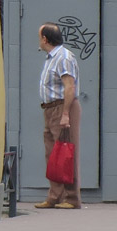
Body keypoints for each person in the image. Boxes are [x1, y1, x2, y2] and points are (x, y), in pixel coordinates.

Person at [34, 22, 82, 209]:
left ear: (45, 39)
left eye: (40, 37)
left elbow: (69, 87)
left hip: (63, 107)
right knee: (53, 153)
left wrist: (65, 114)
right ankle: (55, 196)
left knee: (67, 151)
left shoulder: (63, 57)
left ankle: (72, 198)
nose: (39, 40)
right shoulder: (51, 58)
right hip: (49, 108)